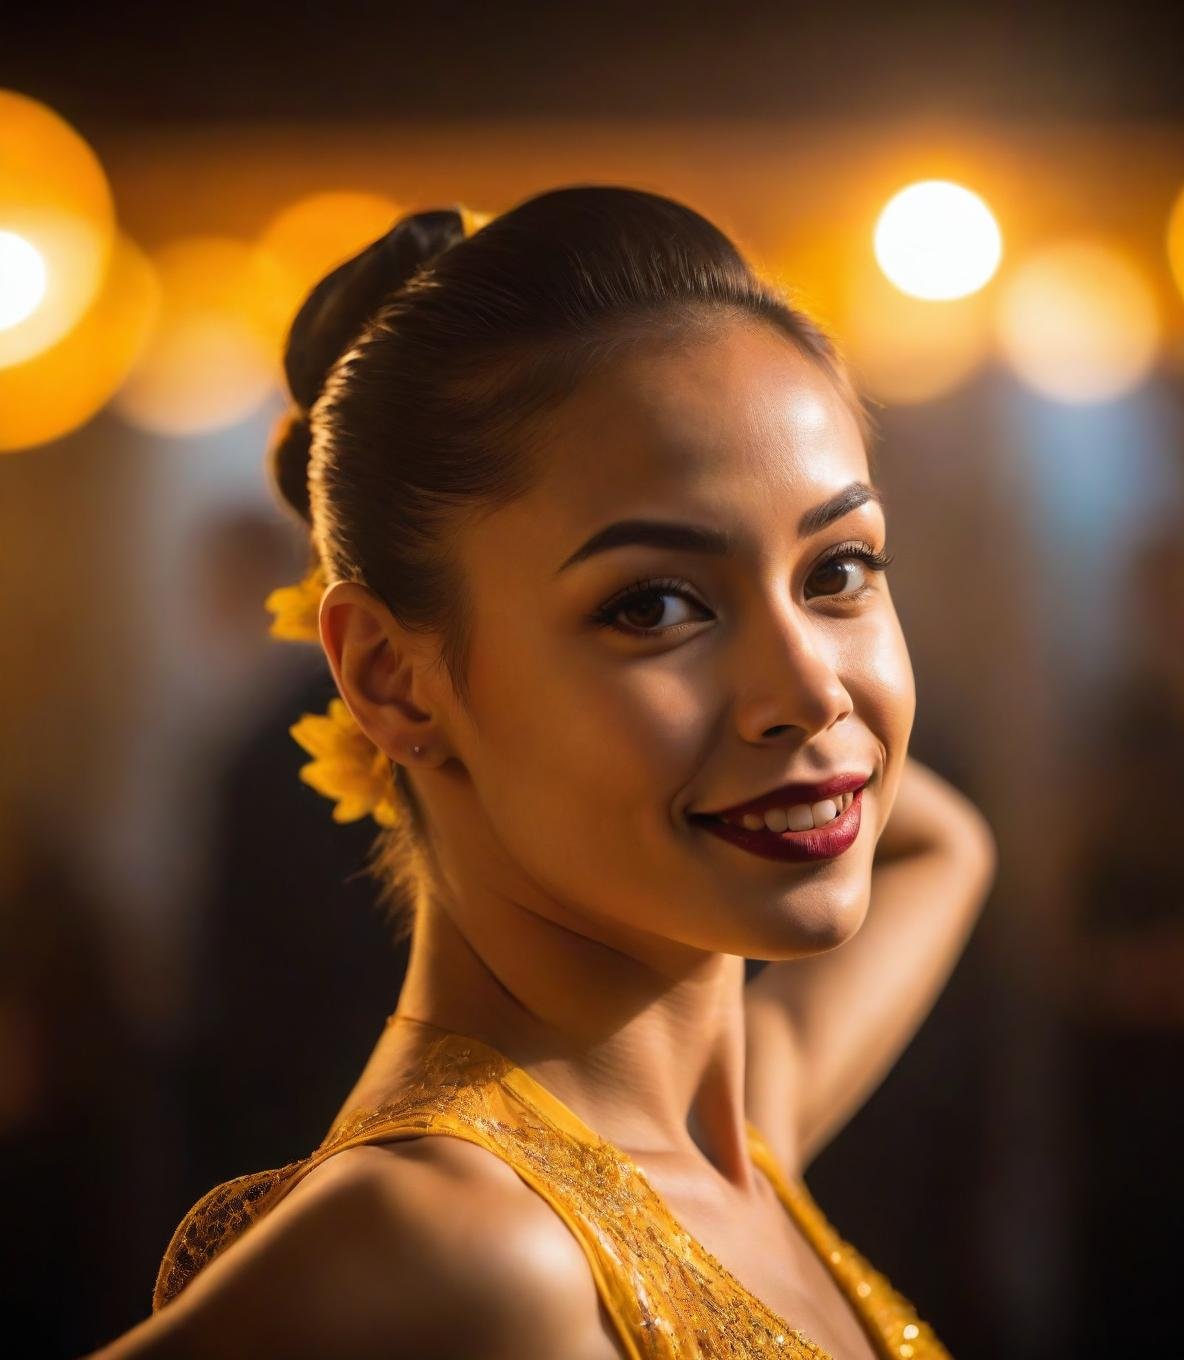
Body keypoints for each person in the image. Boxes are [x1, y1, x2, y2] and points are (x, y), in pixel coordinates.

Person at [91, 185, 996, 1359]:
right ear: (391, 679)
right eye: (654, 604)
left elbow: (942, 843)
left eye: (836, 569)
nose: (813, 686)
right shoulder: (456, 1247)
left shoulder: (732, 1133)